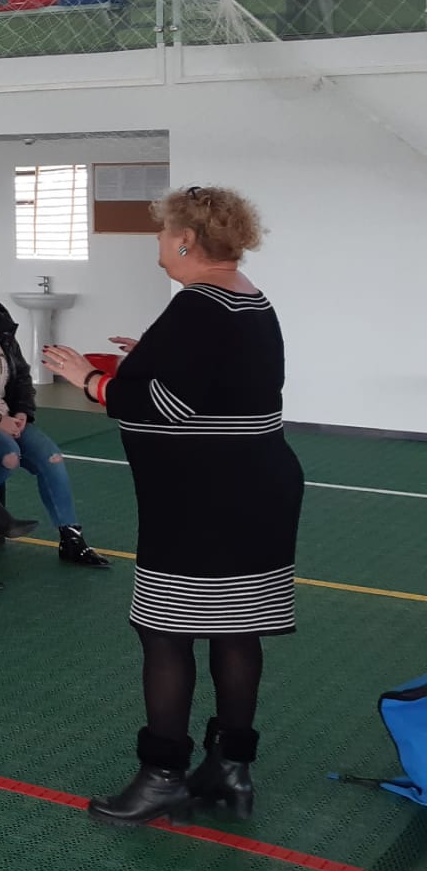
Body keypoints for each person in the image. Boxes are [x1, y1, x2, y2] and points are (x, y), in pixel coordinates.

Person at [44, 186, 301, 827]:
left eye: (162, 235)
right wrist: (147, 359)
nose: (158, 246)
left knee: (164, 630)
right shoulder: (247, 297)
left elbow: (166, 405)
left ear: (186, 240)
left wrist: (89, 380)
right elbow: (221, 381)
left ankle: (162, 776)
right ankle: (231, 769)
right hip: (258, 487)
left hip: (203, 498)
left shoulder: (196, 306)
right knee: (236, 629)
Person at [0, 255, 109, 570]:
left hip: (9, 415)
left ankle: (71, 539)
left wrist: (24, 410)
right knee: (8, 456)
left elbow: (21, 374)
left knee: (52, 458)